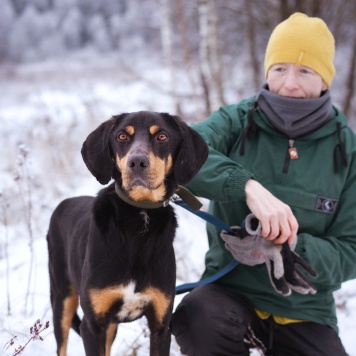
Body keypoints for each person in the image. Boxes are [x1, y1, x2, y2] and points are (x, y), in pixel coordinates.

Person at [171, 12, 356, 355]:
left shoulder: (348, 151)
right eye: (280, 69)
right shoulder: (236, 121)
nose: (288, 84)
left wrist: (287, 247)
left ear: (326, 79)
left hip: (306, 311)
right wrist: (246, 186)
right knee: (197, 317)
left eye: (305, 71)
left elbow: (351, 250)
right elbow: (182, 151)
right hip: (228, 293)